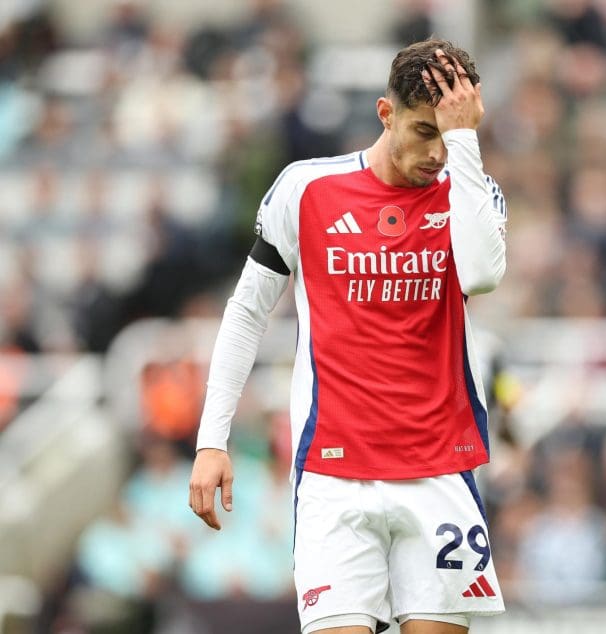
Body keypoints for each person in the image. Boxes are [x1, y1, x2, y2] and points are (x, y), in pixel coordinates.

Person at [188, 38, 507, 634]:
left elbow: (484, 276)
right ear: (386, 115)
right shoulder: (305, 189)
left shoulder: (471, 193)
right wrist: (213, 438)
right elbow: (247, 312)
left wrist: (464, 142)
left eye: (450, 134)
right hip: (334, 475)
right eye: (423, 131)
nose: (436, 153)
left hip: (439, 471)